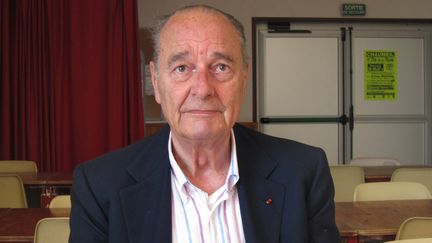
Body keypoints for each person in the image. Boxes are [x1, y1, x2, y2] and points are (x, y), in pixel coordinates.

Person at [69, 5, 339, 243]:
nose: (202, 88)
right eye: (182, 68)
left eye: (220, 67)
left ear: (244, 78)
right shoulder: (99, 186)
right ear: (155, 81)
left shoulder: (303, 172)